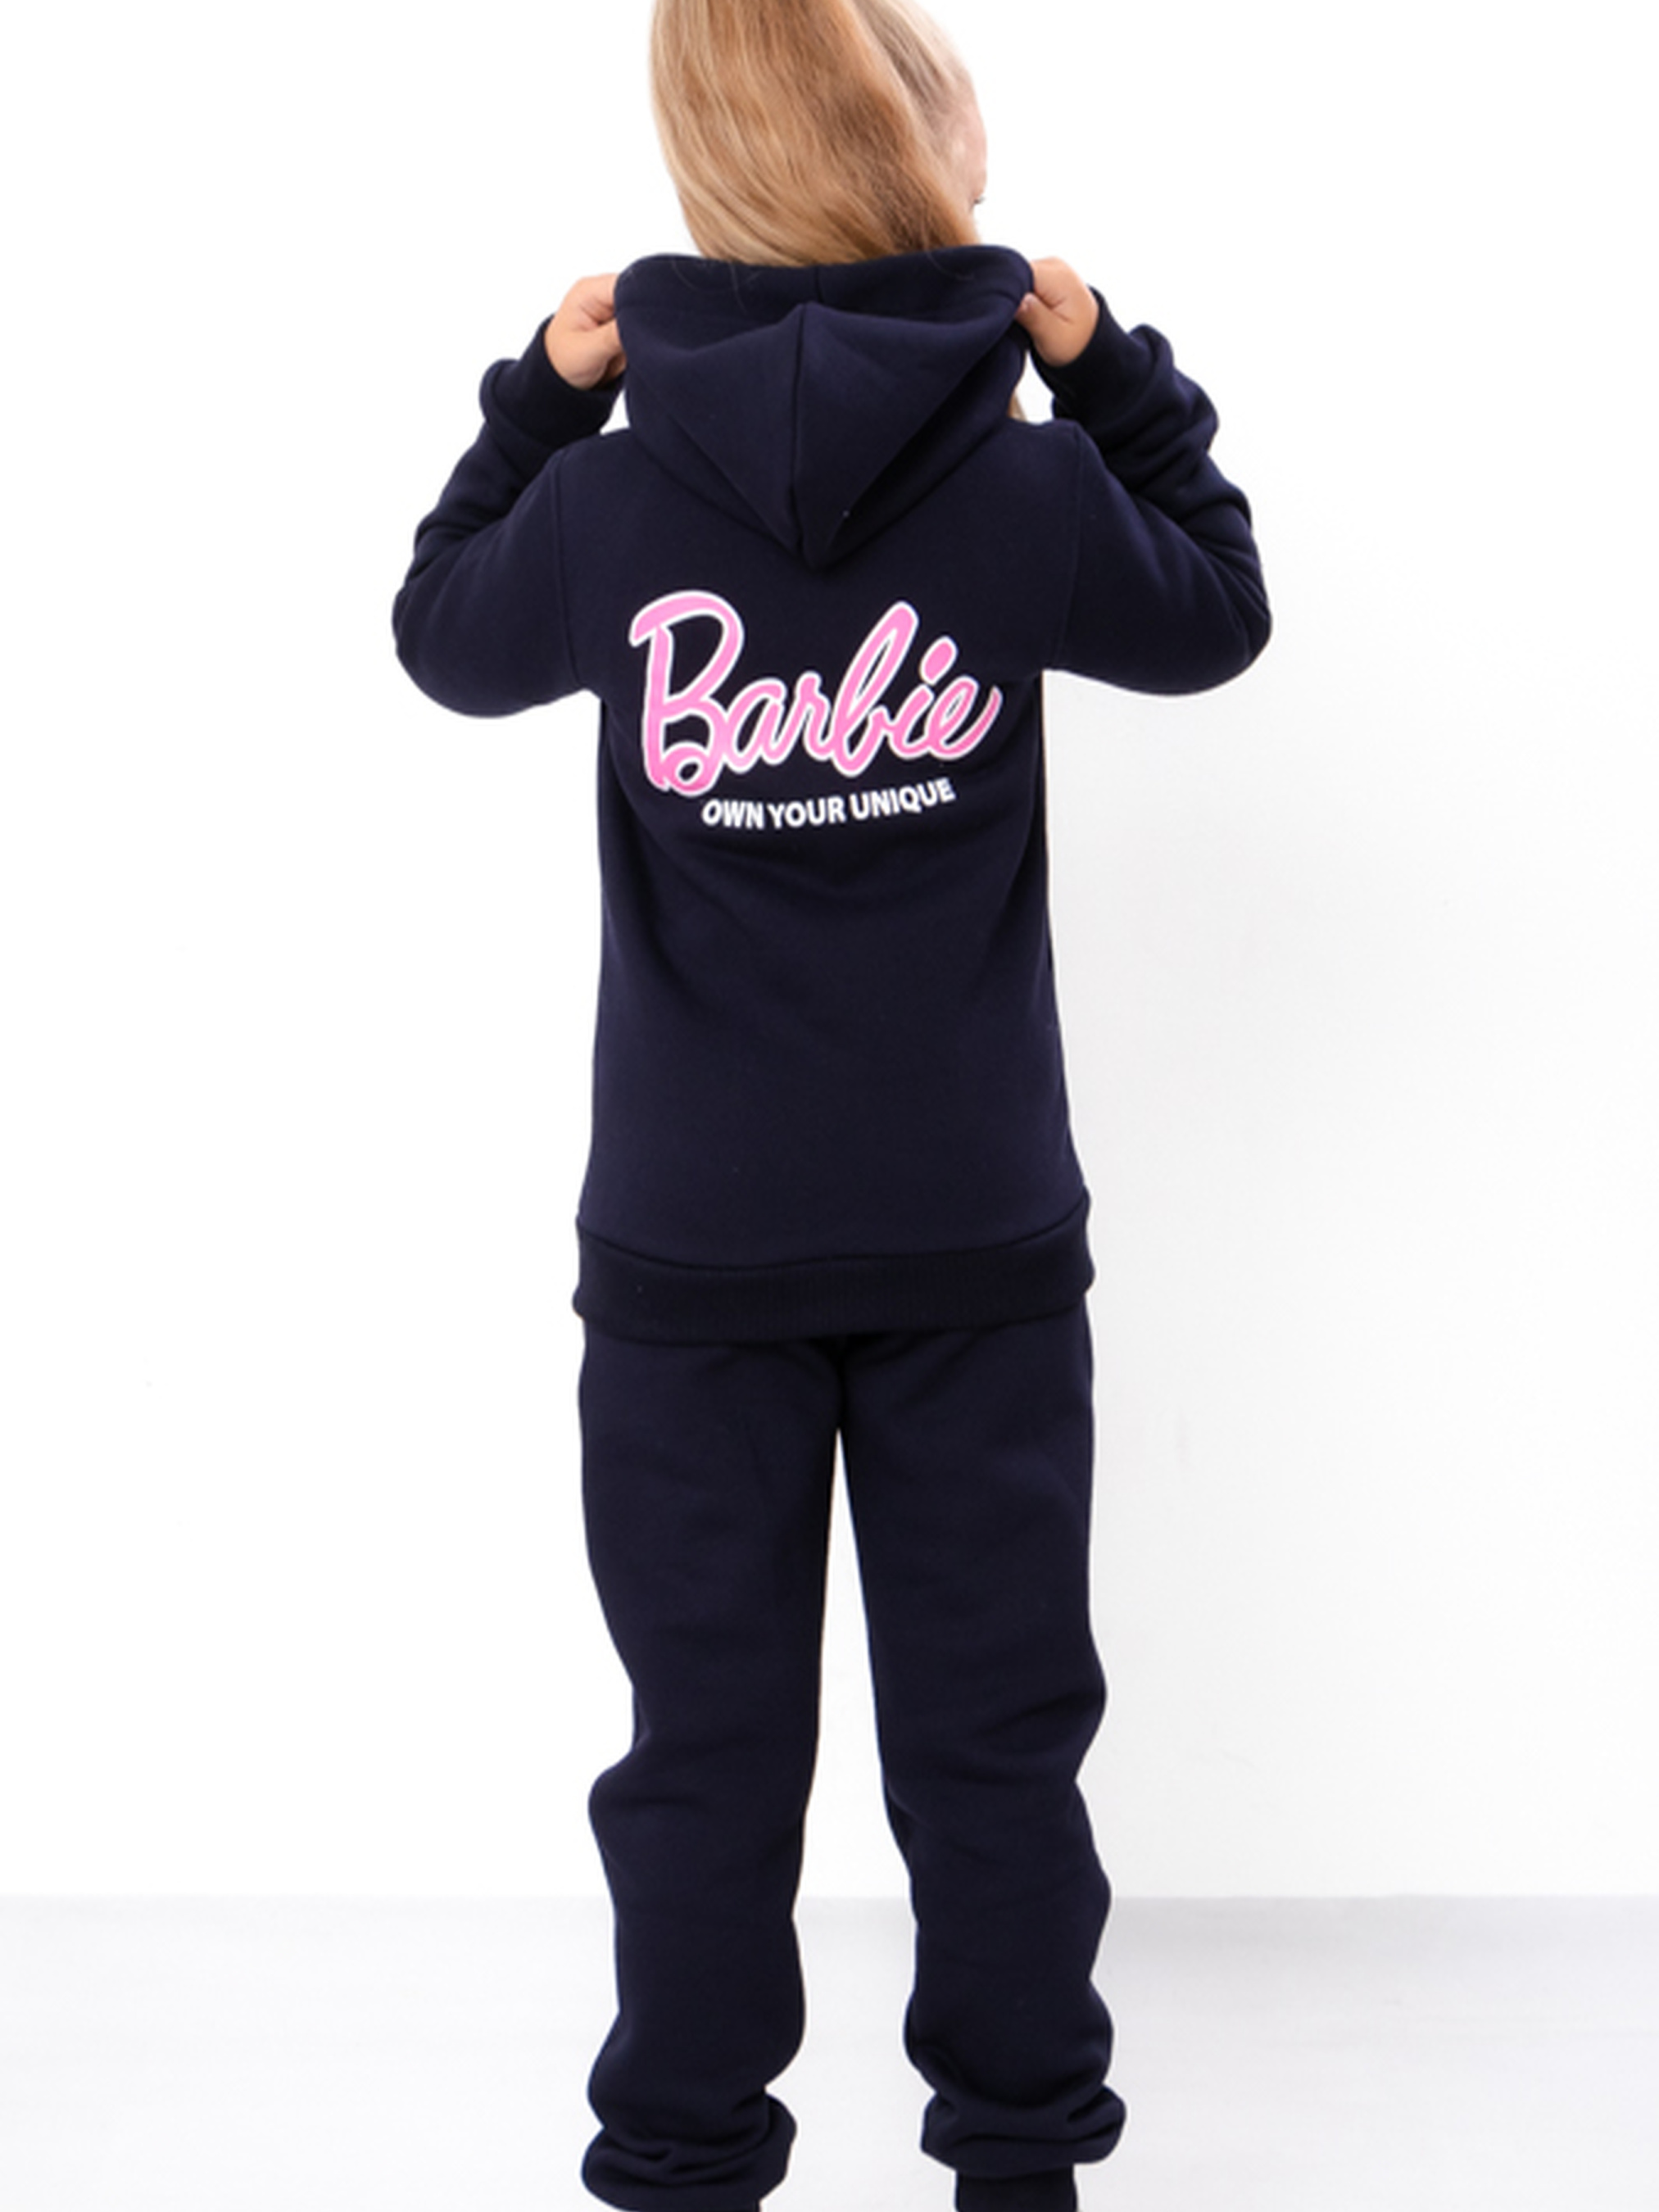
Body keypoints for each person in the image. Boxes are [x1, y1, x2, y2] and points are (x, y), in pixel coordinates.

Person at [392, 2, 1270, 2208]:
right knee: (996, 1746)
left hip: (689, 1252)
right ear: (926, 174)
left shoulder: (608, 510)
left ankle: (683, 2163)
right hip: (975, 1235)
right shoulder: (1026, 492)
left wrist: (538, 397)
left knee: (701, 1758)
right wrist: (1108, 371)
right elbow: (1218, 613)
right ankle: (1017, 2163)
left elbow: (440, 634)